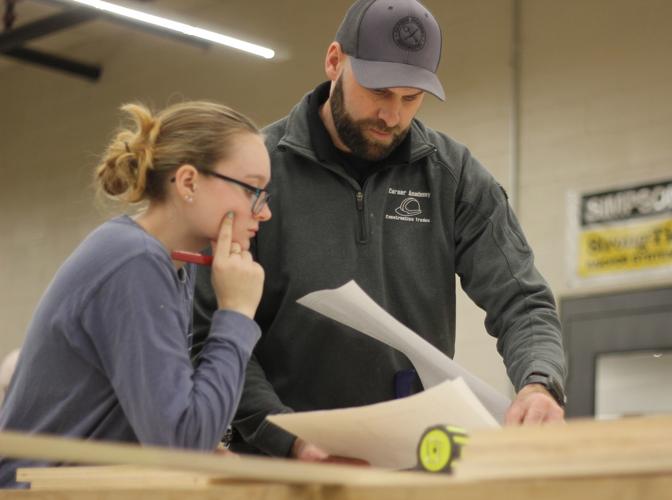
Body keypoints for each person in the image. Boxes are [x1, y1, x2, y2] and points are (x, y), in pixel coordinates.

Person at [193, 0, 566, 461]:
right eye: (379, 92)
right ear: (334, 61)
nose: (392, 116)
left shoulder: (452, 177)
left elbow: (522, 300)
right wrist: (291, 441)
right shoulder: (257, 172)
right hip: (283, 467)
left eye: (411, 98)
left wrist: (539, 382)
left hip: (414, 461)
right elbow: (211, 332)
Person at [0, 100, 271, 488]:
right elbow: (184, 444)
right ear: (189, 182)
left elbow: (174, 431)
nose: (264, 212)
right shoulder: (134, 262)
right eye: (253, 190)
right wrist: (237, 313)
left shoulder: (172, 263)